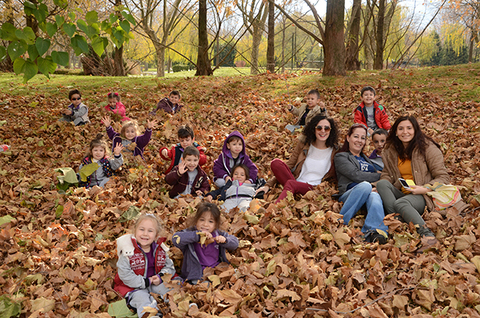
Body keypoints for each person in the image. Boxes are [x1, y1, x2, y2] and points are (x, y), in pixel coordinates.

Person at [376, 115, 449, 242]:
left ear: (415, 130)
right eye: (401, 129)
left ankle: (426, 233)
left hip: (422, 195)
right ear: (396, 132)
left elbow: (443, 177)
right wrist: (383, 189)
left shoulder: (428, 148)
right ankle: (398, 218)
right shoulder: (390, 150)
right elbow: (387, 173)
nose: (405, 132)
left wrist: (424, 189)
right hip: (401, 191)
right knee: (381, 184)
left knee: (401, 203)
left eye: (409, 128)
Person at [257, 114, 338, 203]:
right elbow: (289, 165)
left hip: (314, 188)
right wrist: (268, 185)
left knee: (291, 184)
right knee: (276, 163)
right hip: (295, 181)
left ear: (331, 131)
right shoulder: (304, 145)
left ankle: (274, 210)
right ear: (313, 129)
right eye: (319, 128)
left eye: (326, 128)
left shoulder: (335, 151)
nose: (323, 131)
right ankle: (292, 192)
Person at [334, 123, 388, 244]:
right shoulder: (341, 157)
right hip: (349, 193)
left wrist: (375, 185)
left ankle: (375, 231)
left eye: (363, 138)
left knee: (375, 195)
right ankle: (341, 221)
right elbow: (355, 175)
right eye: (356, 136)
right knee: (365, 185)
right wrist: (379, 177)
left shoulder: (366, 159)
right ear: (348, 138)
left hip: (369, 192)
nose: (359, 140)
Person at [114, 213, 176, 318]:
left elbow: (170, 267)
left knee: (170, 291)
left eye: (150, 231)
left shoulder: (160, 249)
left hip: (154, 282)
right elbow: (124, 274)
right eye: (141, 229)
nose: (145, 234)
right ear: (135, 231)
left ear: (156, 235)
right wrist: (145, 282)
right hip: (133, 286)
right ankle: (150, 315)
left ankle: (182, 307)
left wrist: (161, 277)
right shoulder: (128, 251)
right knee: (141, 299)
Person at [172, 202, 239, 284]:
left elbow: (235, 243)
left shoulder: (218, 233)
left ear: (215, 224)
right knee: (202, 285)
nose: (205, 224)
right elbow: (176, 239)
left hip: (214, 270)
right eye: (202, 220)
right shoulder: (191, 233)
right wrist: (197, 236)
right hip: (196, 273)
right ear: (196, 221)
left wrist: (225, 240)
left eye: (210, 221)